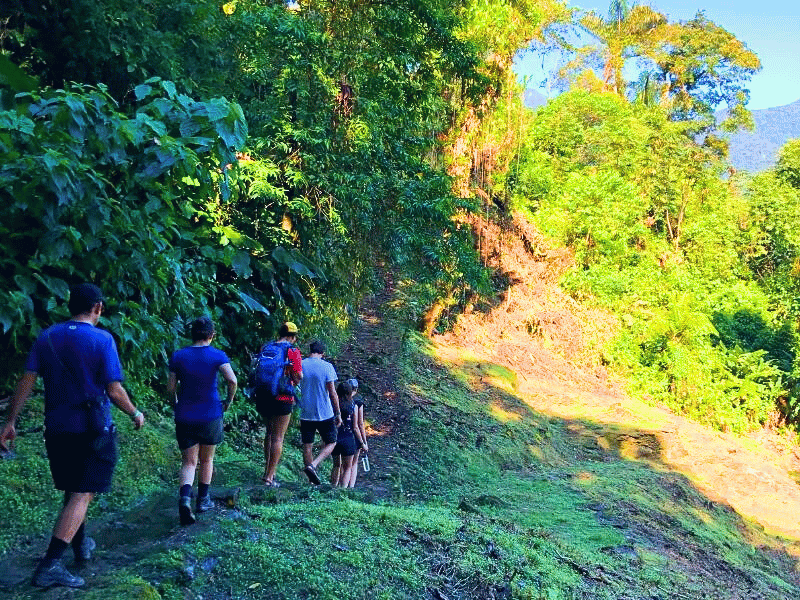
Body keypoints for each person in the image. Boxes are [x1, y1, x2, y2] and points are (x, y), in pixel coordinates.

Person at [0, 283, 145, 588]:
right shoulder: (102, 339)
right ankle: (50, 565)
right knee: (83, 492)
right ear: (99, 308)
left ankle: (80, 545)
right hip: (92, 429)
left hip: (56, 429)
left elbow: (26, 381)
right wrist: (134, 413)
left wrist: (10, 421)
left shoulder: (47, 336)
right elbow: (114, 389)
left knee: (73, 487)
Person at [167, 316, 237, 525]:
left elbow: (171, 388)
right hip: (211, 414)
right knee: (207, 460)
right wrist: (229, 401)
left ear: (192, 334)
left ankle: (185, 499)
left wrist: (175, 404)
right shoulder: (217, 355)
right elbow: (232, 380)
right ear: (211, 335)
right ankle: (203, 500)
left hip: (185, 415)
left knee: (189, 462)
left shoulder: (179, 356)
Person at [255, 322, 302, 487]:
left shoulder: (266, 347)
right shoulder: (292, 351)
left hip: (264, 395)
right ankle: (269, 477)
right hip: (283, 397)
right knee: (278, 437)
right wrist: (293, 382)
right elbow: (298, 376)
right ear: (292, 336)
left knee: (269, 434)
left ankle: (266, 472)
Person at [297, 340, 341, 484]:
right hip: (325, 412)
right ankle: (313, 465)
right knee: (332, 442)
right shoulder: (327, 366)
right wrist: (338, 413)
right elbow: (333, 392)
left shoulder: (302, 364)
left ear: (310, 351)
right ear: (323, 353)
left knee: (307, 445)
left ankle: (311, 481)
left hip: (306, 412)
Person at [330, 381, 364, 487]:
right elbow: (356, 426)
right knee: (347, 467)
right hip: (348, 438)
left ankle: (333, 487)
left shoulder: (333, 405)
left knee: (336, 465)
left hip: (335, 438)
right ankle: (343, 490)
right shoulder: (353, 405)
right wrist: (362, 443)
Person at [346, 378, 368, 488]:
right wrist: (364, 441)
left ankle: (341, 486)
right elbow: (360, 424)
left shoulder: (341, 400)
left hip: (343, 434)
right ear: (356, 389)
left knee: (342, 464)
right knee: (353, 463)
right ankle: (351, 487)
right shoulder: (358, 403)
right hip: (355, 436)